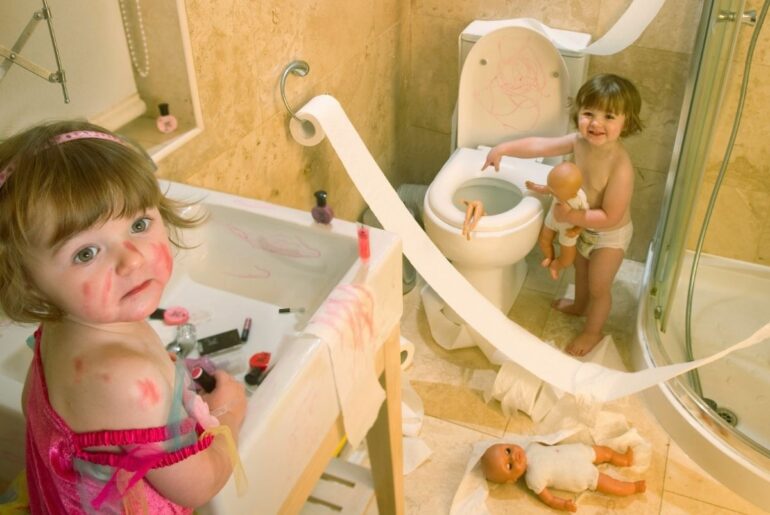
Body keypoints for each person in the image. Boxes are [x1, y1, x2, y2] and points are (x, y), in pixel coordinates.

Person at [0, 121, 247, 513]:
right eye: (85, 253)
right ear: (28, 284)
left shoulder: (69, 324)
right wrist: (229, 412)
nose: (132, 260)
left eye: (139, 224)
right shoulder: (125, 381)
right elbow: (198, 486)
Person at [482, 73, 643, 356]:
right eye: (588, 113)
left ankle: (592, 332)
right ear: (578, 114)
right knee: (580, 271)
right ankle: (579, 305)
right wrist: (503, 149)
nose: (595, 123)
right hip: (581, 224)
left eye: (609, 116)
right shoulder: (578, 142)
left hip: (609, 236)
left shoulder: (621, 166)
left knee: (598, 285)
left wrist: (571, 218)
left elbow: (611, 217)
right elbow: (539, 146)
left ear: (626, 122)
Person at [480, 442, 646, 512]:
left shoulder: (531, 446)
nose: (513, 457)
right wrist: (564, 505)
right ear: (512, 480)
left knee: (606, 452)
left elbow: (550, 445)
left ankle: (624, 460)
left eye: (508, 450)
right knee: (612, 485)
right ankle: (633, 488)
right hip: (580, 474)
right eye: (509, 466)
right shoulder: (533, 479)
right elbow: (549, 499)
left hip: (578, 451)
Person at [525, 162, 588, 280]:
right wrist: (534, 187)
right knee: (543, 240)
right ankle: (549, 256)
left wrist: (576, 230)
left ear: (572, 193)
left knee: (567, 258)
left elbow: (585, 218)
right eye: (551, 190)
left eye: (555, 193)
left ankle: (557, 264)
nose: (551, 193)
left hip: (568, 228)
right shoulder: (557, 188)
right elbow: (546, 189)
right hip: (552, 219)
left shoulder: (580, 199)